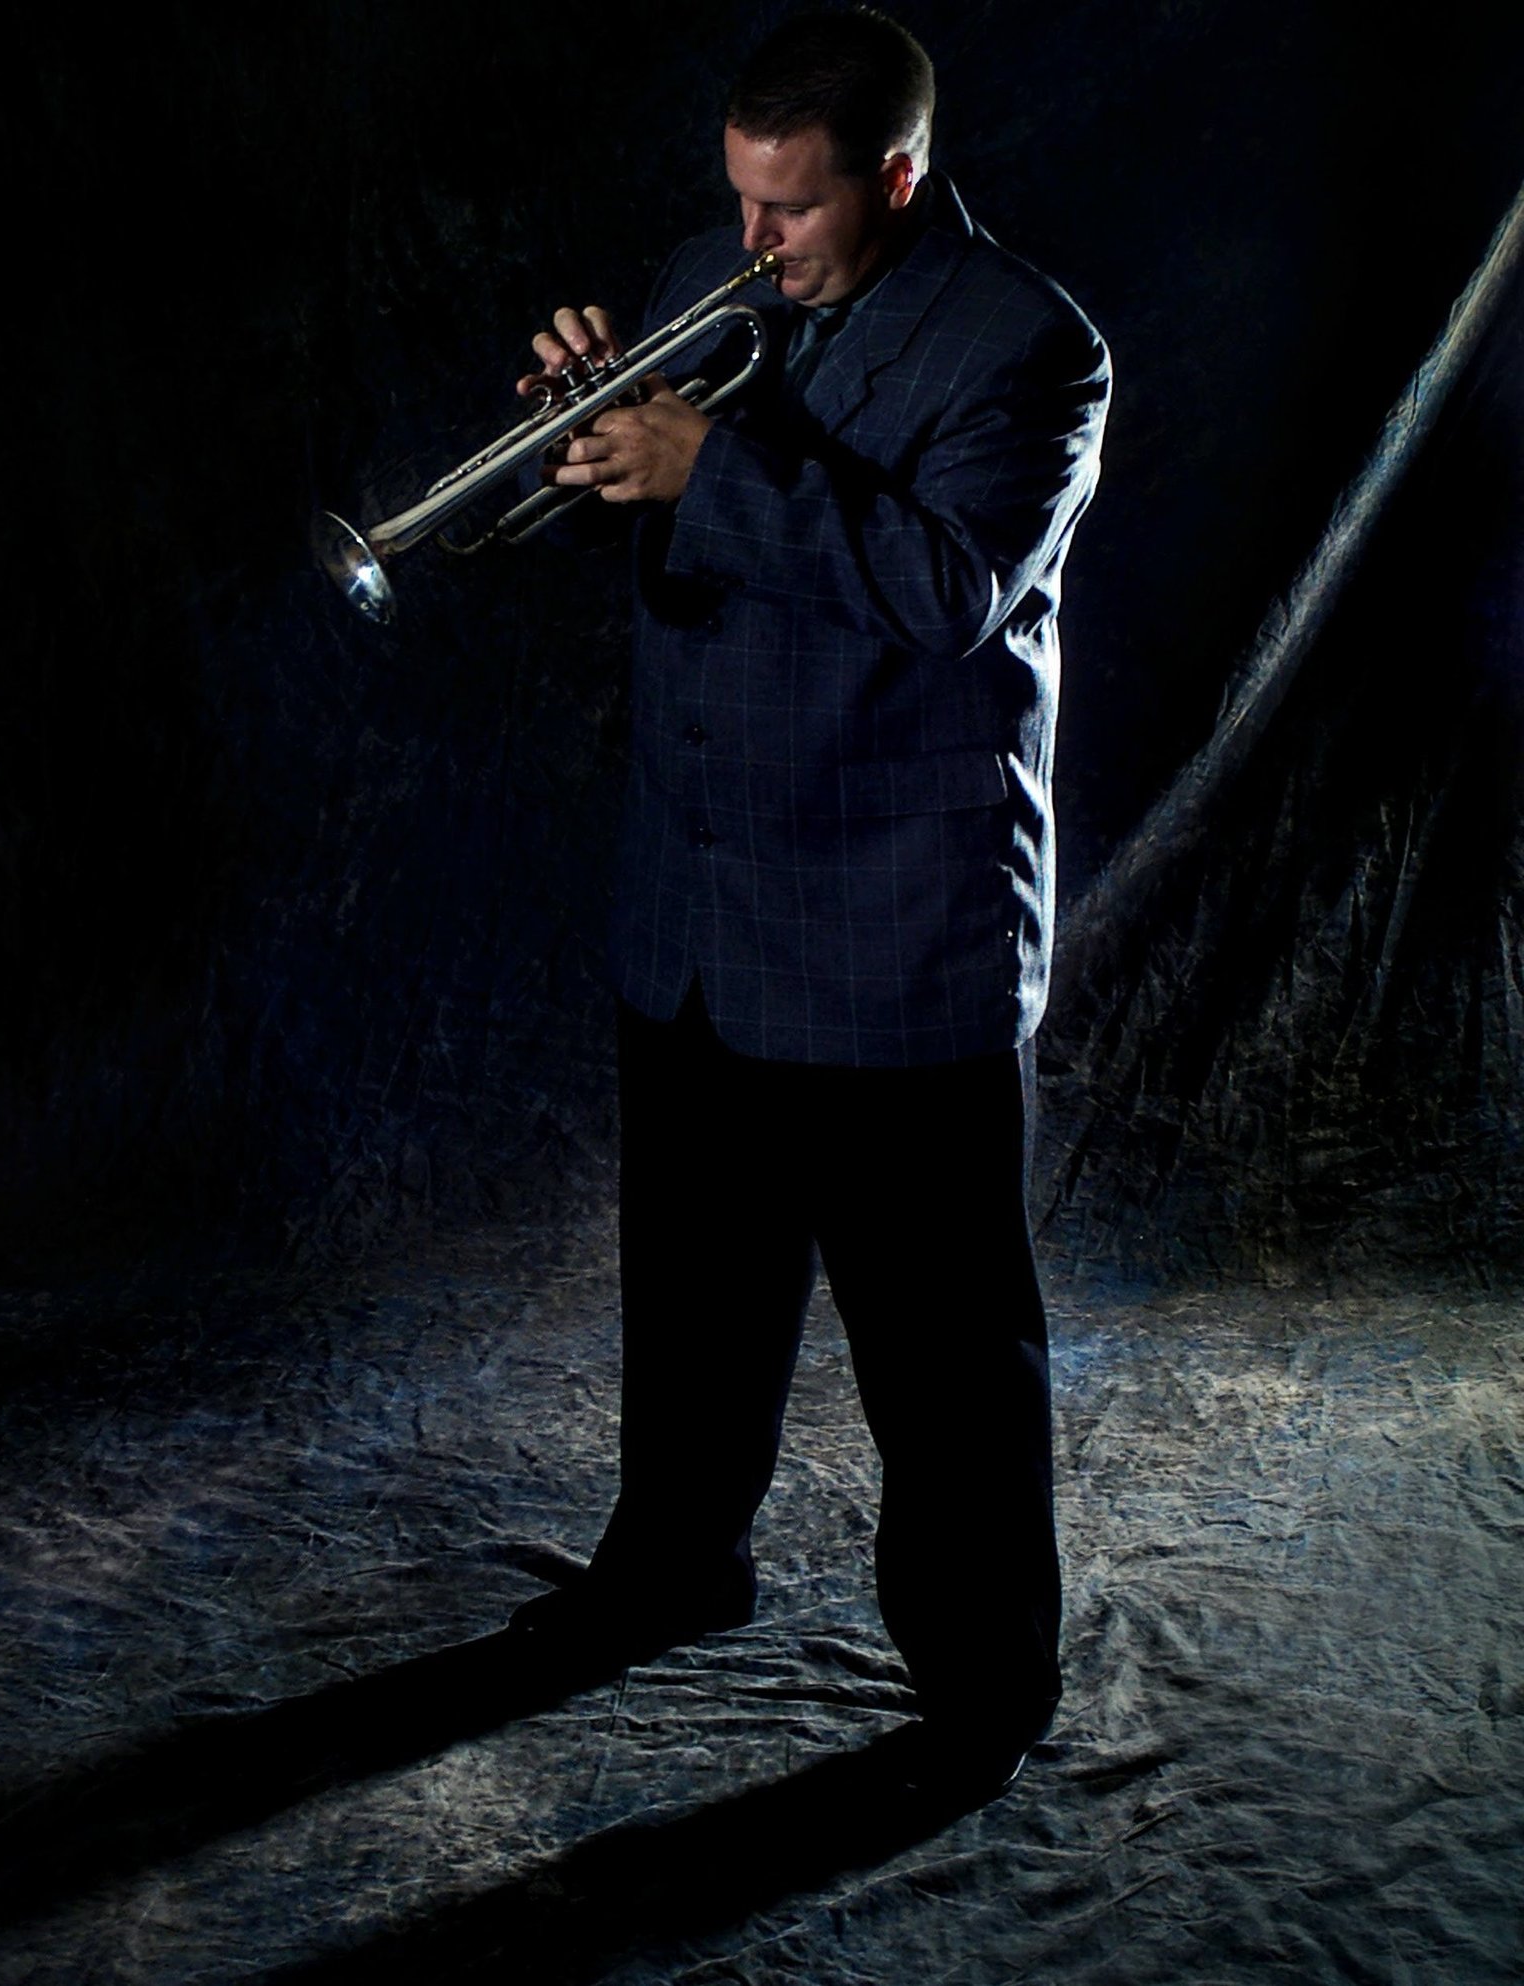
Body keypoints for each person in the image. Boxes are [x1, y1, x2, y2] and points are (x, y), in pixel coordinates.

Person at [508, 7, 1111, 1803]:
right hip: (692, 910)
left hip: (891, 932)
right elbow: (651, 529)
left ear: (899, 179)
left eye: (791, 211)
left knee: (940, 1350)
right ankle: (673, 1562)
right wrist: (586, 434)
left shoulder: (1032, 350)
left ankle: (984, 1677)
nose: (751, 246)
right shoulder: (718, 274)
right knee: (694, 1299)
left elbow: (950, 592)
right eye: (739, 200)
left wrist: (712, 464)